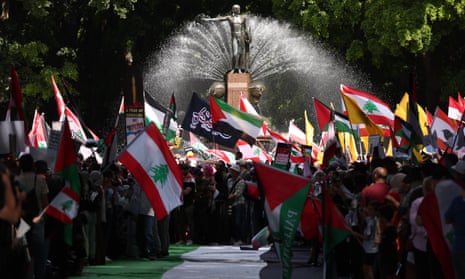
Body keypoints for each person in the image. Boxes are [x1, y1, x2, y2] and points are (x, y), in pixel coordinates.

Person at [202, 4, 251, 73]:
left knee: (241, 54)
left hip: (241, 37)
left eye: (237, 8)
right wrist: (209, 20)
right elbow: (219, 19)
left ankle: (239, 69)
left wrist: (248, 36)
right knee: (235, 54)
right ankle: (233, 69)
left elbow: (245, 29)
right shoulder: (229, 18)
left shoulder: (243, 18)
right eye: (235, 8)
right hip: (234, 37)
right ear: (233, 10)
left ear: (239, 10)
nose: (236, 10)